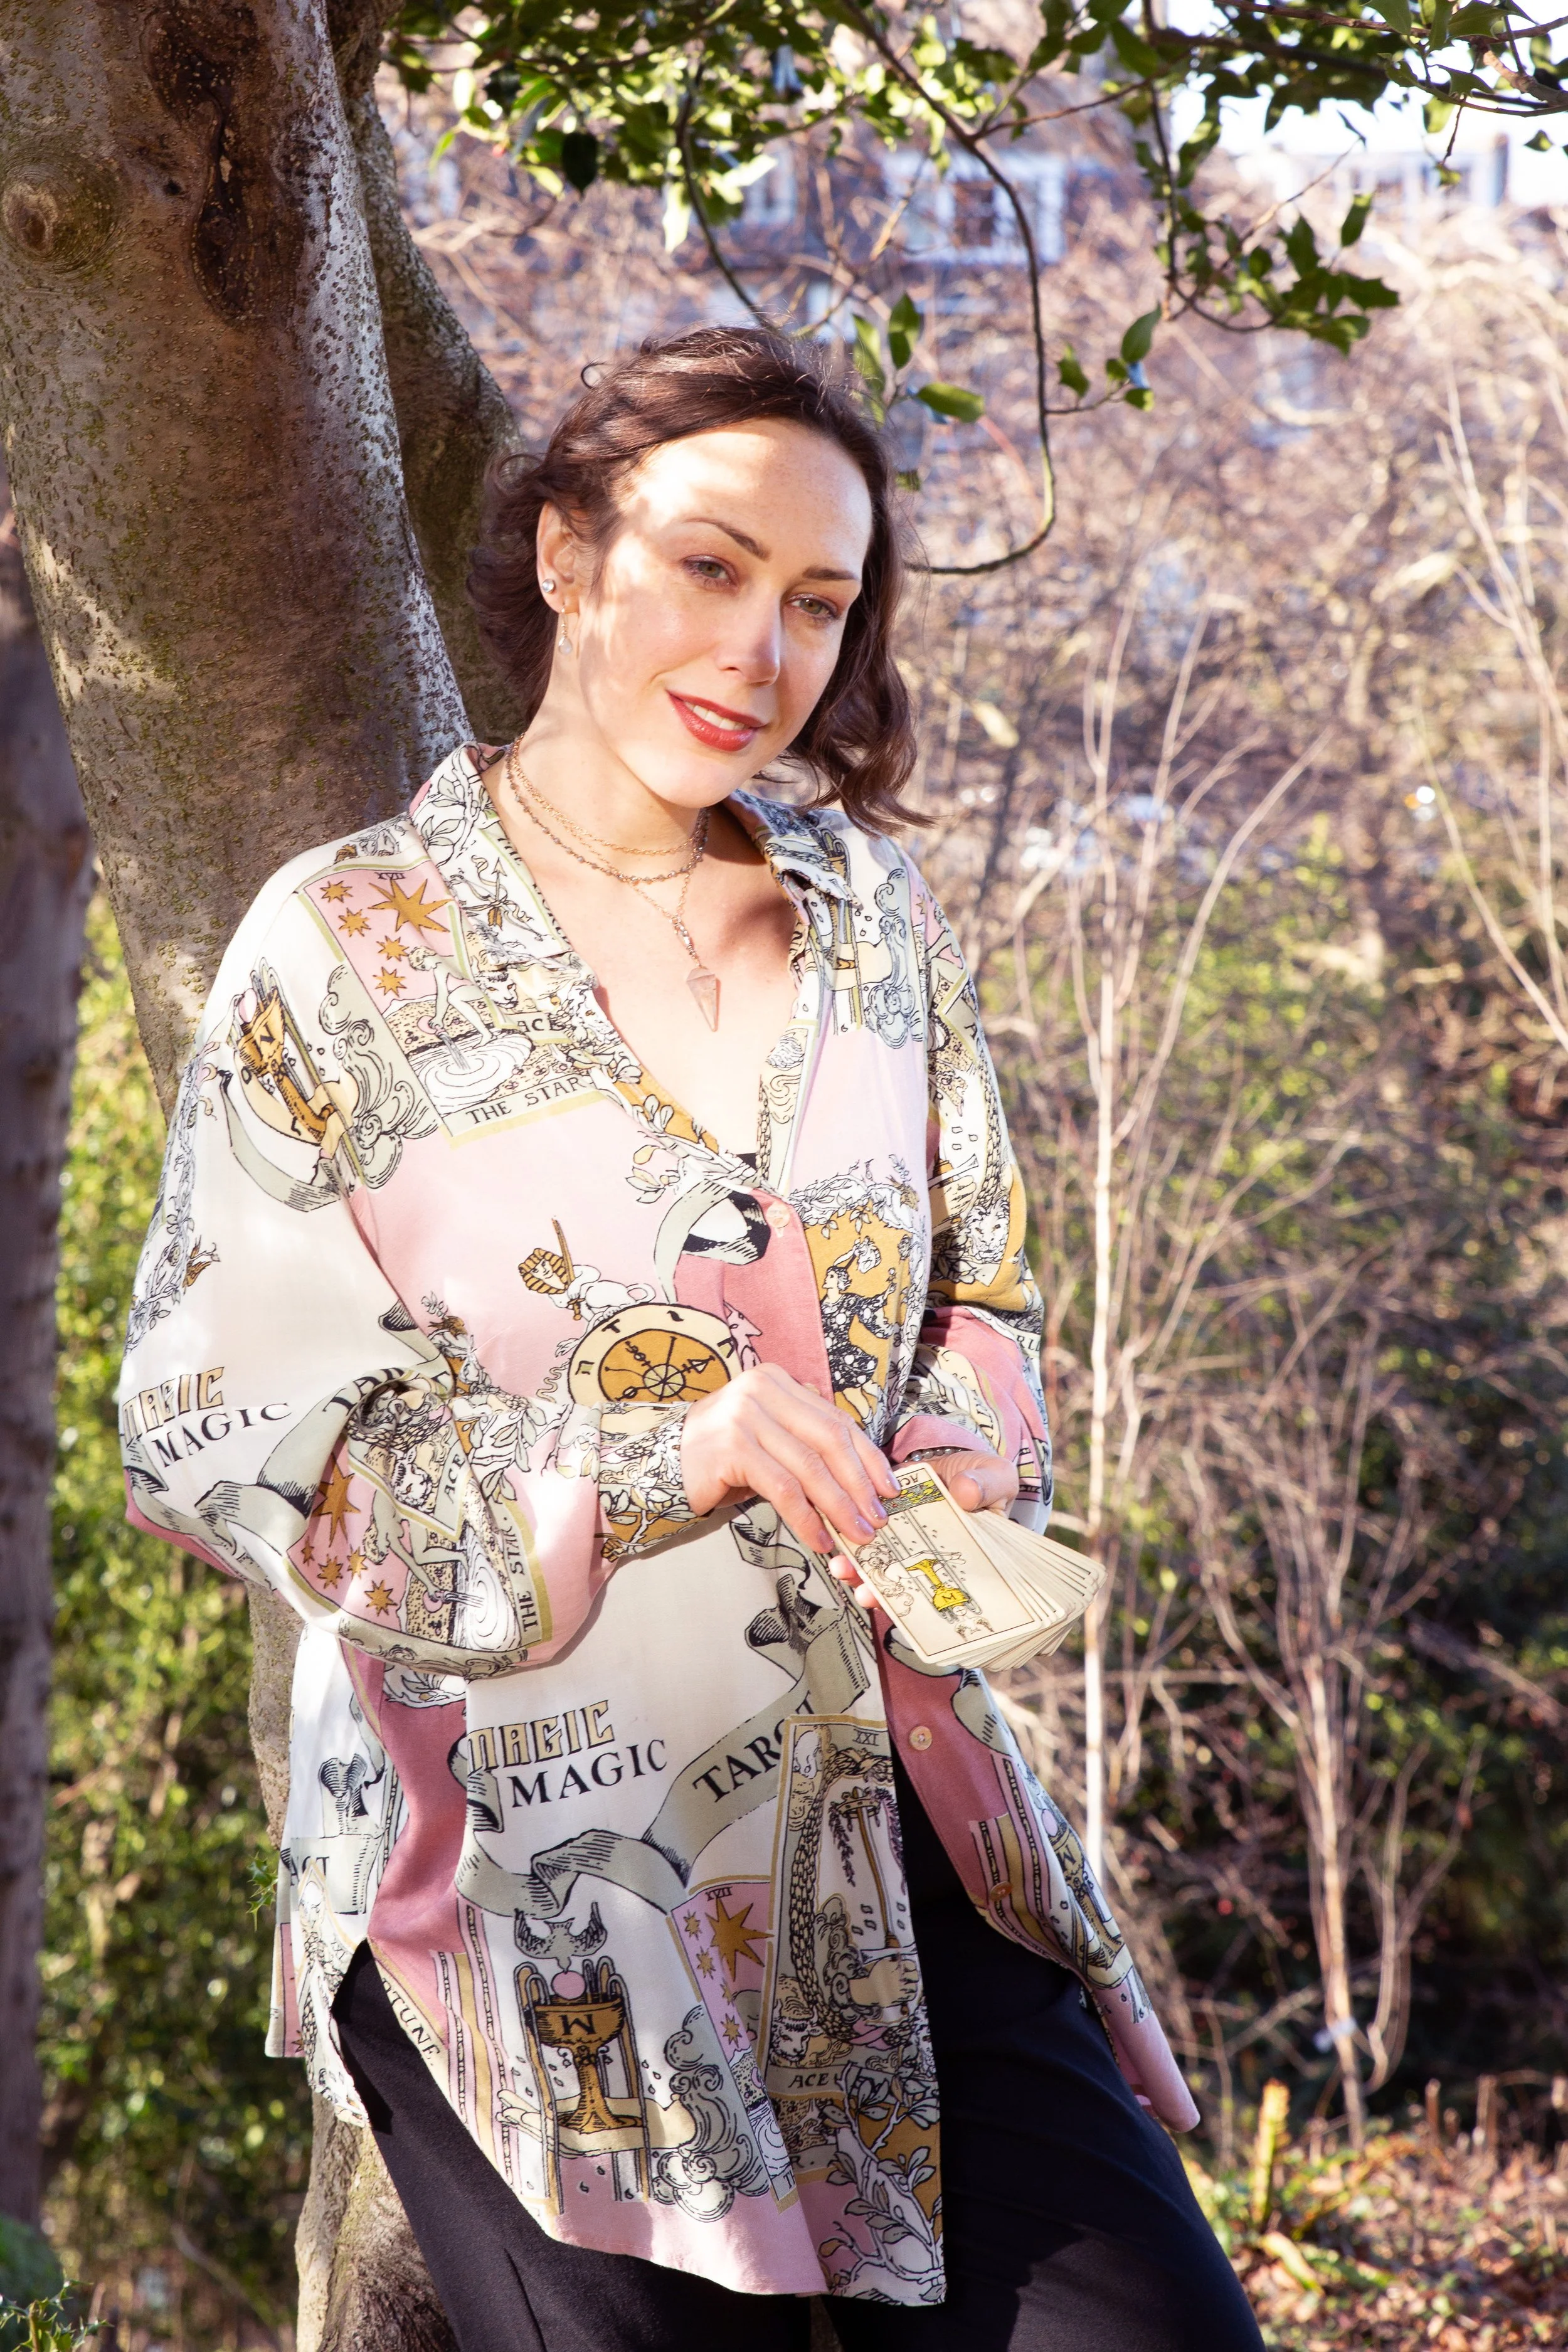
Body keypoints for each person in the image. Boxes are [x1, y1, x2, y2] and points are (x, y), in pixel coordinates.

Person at [119, 326, 1262, 2351]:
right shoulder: (345, 939)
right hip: (544, 1896)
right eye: (710, 565)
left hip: (910, 1843)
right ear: (567, 553)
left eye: (819, 600)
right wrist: (669, 1446)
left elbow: (977, 1289)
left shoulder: (866, 920)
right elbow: (223, 1434)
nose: (764, 645)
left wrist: (942, 1468)